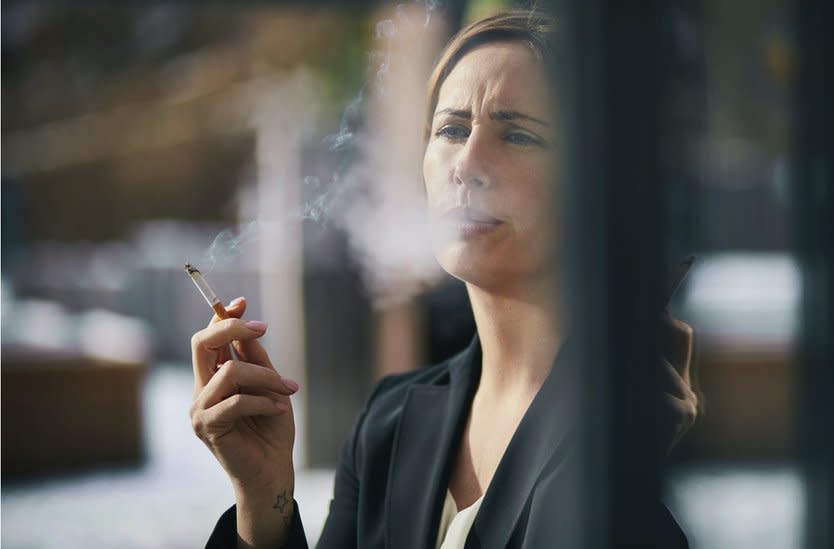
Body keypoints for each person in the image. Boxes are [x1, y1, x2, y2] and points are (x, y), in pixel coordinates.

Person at [190, 9, 699, 549]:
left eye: (520, 135)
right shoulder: (391, 421)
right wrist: (263, 494)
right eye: (452, 130)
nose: (467, 162)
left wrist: (622, 486)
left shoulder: (631, 422)